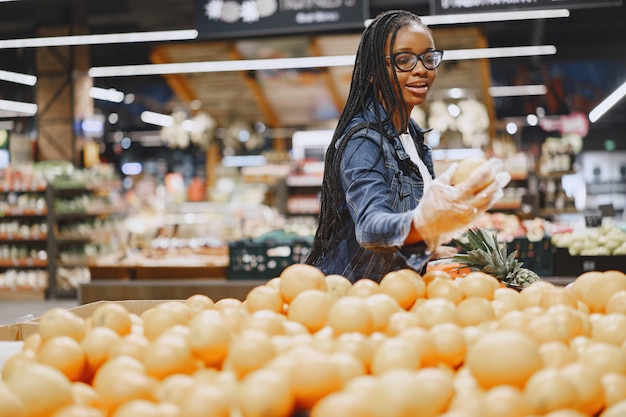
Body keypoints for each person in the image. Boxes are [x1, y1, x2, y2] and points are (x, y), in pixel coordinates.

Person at [305, 9, 510, 282]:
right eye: (404, 60)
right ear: (373, 72)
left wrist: (428, 251)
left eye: (428, 58)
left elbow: (402, 232)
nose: (421, 69)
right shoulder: (363, 140)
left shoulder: (412, 136)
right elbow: (371, 228)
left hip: (396, 295)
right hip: (355, 298)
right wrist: (428, 222)